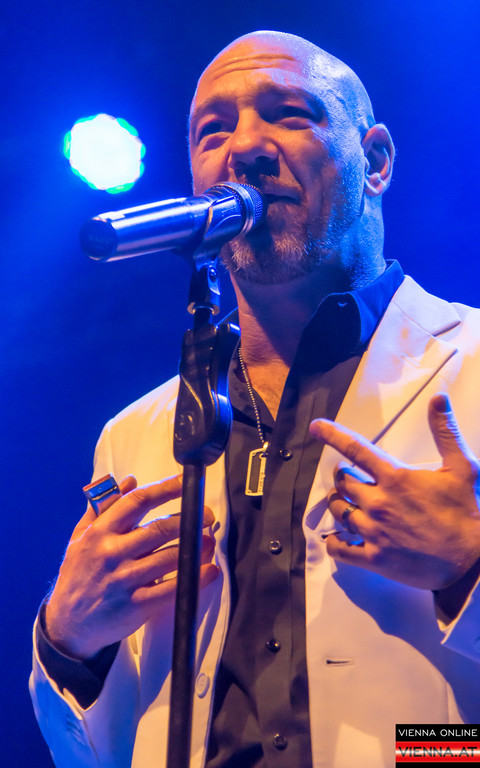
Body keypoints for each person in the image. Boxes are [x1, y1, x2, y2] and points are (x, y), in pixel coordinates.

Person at [30, 30, 480, 768]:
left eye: (288, 114)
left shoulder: (472, 366)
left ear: (375, 161)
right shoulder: (135, 434)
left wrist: (469, 566)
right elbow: (96, 754)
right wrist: (68, 641)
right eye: (213, 130)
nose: (243, 147)